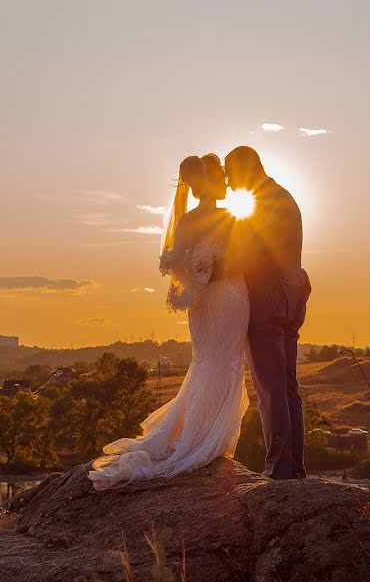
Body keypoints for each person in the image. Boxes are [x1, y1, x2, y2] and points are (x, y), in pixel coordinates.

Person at [88, 154, 250, 491]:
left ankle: (209, 440)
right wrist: (206, 274)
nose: (224, 183)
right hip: (218, 298)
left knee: (223, 363)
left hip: (223, 297)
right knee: (214, 362)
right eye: (219, 178)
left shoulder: (212, 218)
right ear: (206, 183)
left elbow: (225, 259)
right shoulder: (209, 219)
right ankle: (200, 441)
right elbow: (184, 262)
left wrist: (209, 273)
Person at [225, 146, 311, 479]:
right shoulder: (283, 197)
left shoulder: (261, 205)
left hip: (268, 300)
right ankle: (295, 466)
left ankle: (279, 469)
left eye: (231, 176)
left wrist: (213, 272)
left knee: (270, 389)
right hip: (291, 297)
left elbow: (245, 258)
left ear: (246, 170)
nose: (231, 185)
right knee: (288, 388)